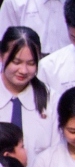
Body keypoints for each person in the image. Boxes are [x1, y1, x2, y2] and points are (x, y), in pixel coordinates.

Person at [0, 26, 57, 159]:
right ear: (1, 56)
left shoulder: (51, 100)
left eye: (31, 63)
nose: (23, 70)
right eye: (16, 62)